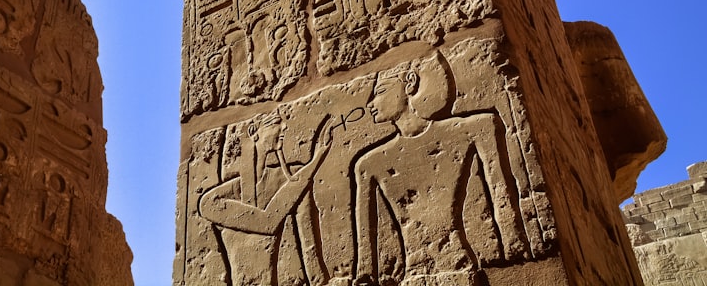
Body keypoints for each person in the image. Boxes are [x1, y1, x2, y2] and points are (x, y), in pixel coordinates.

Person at [353, 55, 529, 285]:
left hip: (458, 264)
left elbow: (501, 194)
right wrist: (366, 272)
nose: (371, 104)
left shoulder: (471, 129)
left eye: (381, 91)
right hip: (412, 275)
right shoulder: (369, 164)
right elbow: (366, 254)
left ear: (410, 83)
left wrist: (511, 237)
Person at [199, 111, 337, 286]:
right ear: (253, 132)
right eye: (275, 123)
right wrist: (316, 160)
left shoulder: (294, 177)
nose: (285, 127)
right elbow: (268, 222)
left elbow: (311, 252)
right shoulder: (212, 201)